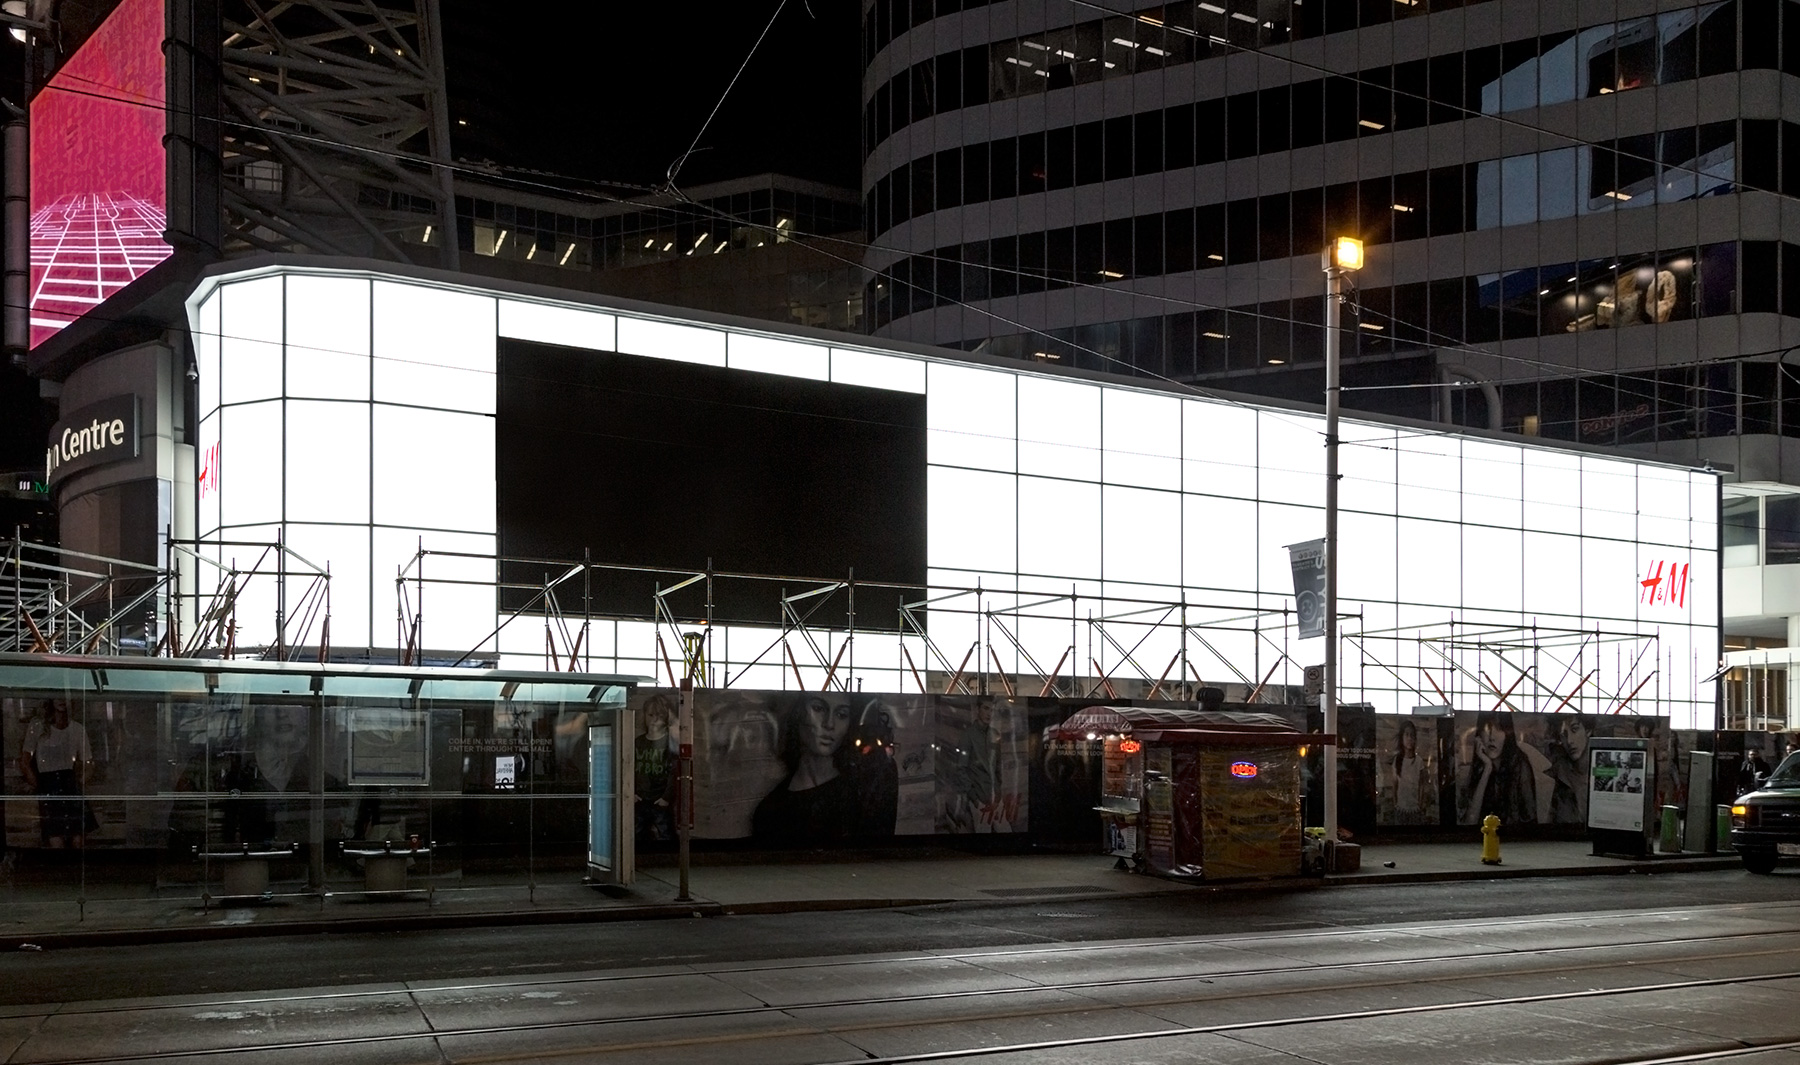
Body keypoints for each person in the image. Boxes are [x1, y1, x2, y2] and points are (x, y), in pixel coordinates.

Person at [751, 696, 858, 845]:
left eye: (841, 715)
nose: (829, 724)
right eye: (818, 709)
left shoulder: (860, 791)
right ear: (797, 713)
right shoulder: (771, 810)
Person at [18, 700, 94, 849]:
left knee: (78, 841)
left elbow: (89, 763)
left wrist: (78, 784)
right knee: (55, 840)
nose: (61, 700)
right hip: (48, 787)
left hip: (70, 787)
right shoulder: (37, 726)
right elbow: (25, 761)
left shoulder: (77, 729)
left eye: (65, 696)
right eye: (57, 695)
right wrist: (39, 786)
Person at [1457, 713, 1537, 825]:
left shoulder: (1519, 764)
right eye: (1487, 729)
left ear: (1507, 735)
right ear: (1479, 735)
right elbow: (1470, 822)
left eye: (1499, 729)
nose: (1491, 737)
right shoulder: (1479, 767)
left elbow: (1530, 817)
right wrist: (1487, 769)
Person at [634, 695, 678, 842]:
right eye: (650, 715)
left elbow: (674, 772)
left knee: (665, 832)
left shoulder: (670, 743)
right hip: (640, 798)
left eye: (659, 715)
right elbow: (629, 768)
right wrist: (632, 792)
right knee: (638, 833)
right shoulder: (638, 742)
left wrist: (666, 797)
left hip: (660, 799)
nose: (654, 720)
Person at [1546, 713, 1593, 824]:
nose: (1569, 741)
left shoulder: (1603, 769)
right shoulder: (1559, 775)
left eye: (1574, 729)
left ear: (1588, 730)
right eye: (1563, 735)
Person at [1385, 720, 1430, 825]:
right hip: (1401, 809)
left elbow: (1421, 784)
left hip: (1414, 809)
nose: (1409, 739)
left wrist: (1420, 804)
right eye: (1407, 735)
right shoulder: (1397, 760)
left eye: (1412, 736)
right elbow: (1394, 784)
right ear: (1402, 738)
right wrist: (1395, 804)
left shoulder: (1418, 761)